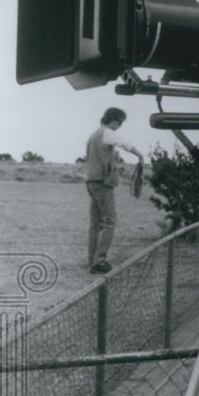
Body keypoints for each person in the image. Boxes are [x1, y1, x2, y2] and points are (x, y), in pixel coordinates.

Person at [85, 107, 144, 274]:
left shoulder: (93, 135)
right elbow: (124, 143)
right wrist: (139, 155)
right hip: (103, 182)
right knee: (109, 221)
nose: (120, 126)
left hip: (91, 180)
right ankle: (100, 260)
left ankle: (92, 261)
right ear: (114, 120)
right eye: (120, 122)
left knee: (95, 224)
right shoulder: (108, 132)